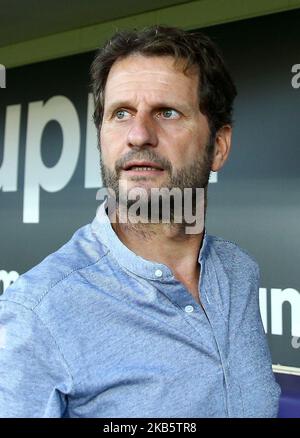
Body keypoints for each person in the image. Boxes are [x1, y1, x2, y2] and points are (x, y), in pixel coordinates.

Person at [0, 25, 280, 418]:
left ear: (218, 146)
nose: (139, 135)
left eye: (166, 112)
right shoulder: (38, 311)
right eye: (121, 113)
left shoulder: (237, 272)